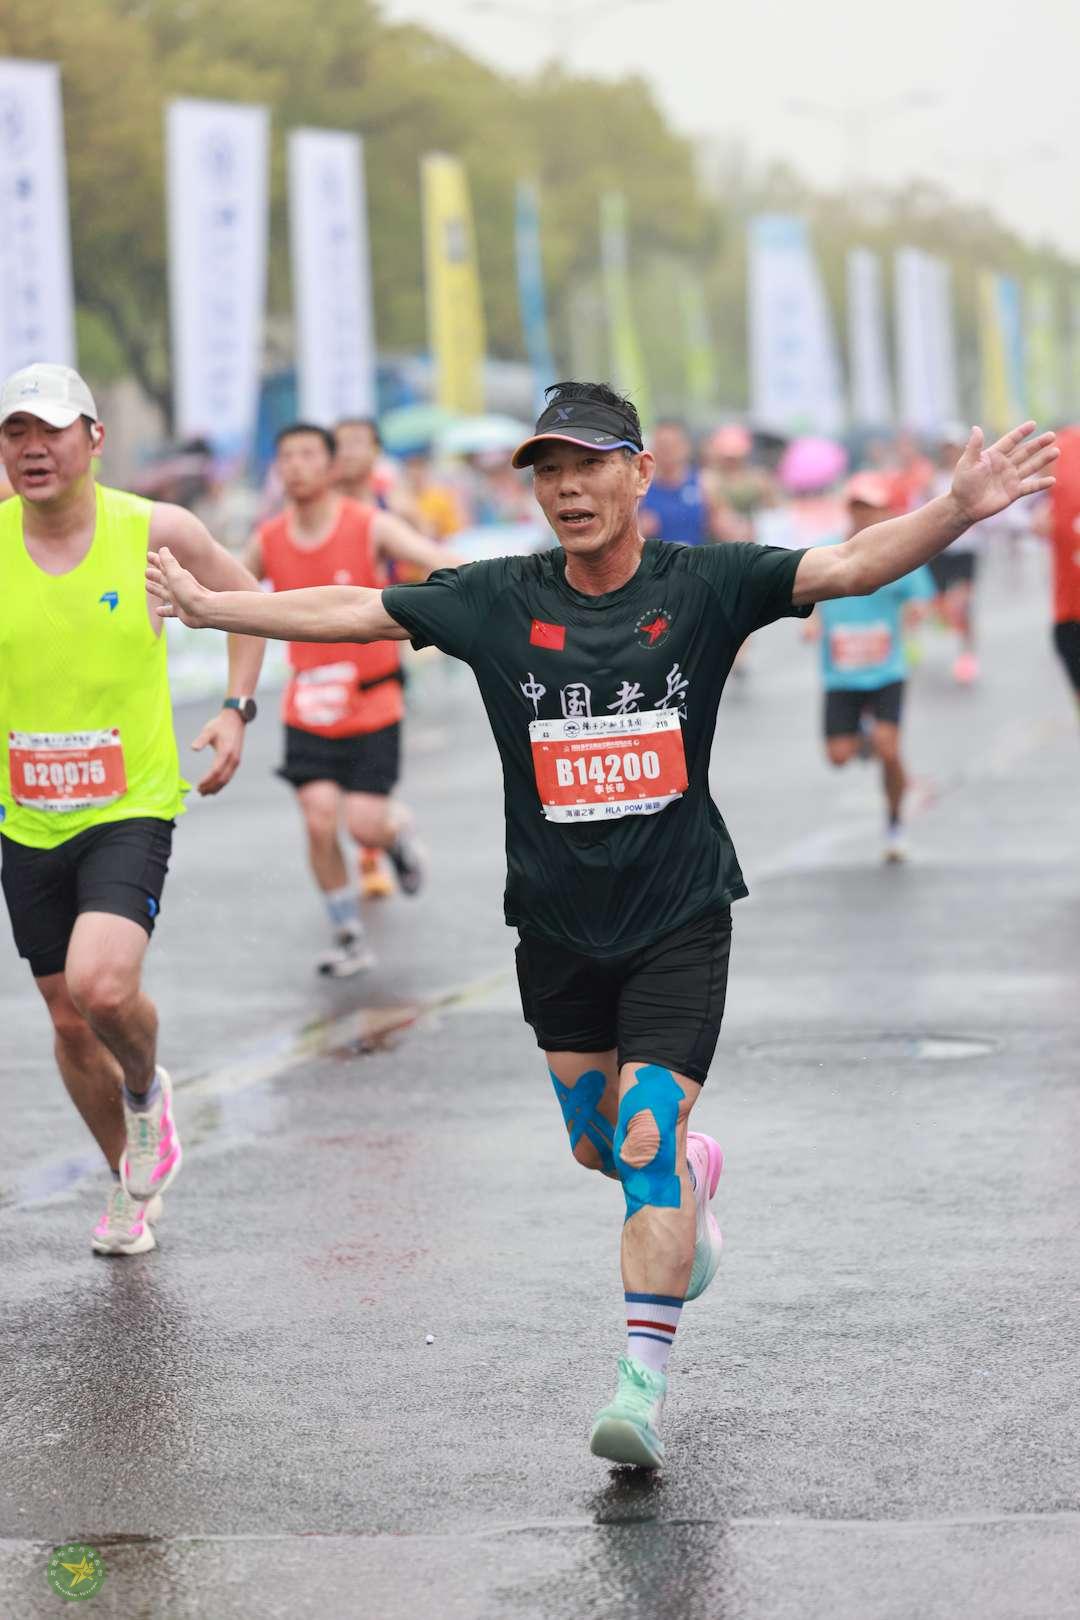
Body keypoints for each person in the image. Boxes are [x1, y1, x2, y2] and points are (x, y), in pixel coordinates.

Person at [148, 381, 1055, 1467]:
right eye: (549, 471)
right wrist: (216, 610)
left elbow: (849, 566)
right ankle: (692, 1175)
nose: (568, 489)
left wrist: (957, 508)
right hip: (557, 927)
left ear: (640, 473)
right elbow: (356, 609)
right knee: (598, 1146)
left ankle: (639, 1383)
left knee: (643, 1137)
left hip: (679, 917)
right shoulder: (498, 598)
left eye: (588, 465)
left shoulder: (705, 585)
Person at [0, 362, 264, 1256]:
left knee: (102, 986)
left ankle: (148, 1093)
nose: (33, 449)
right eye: (15, 433)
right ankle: (128, 1181)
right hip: (25, 816)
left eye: (51, 430)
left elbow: (248, 604)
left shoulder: (155, 531)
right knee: (68, 1022)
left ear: (94, 439)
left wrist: (235, 709)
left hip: (129, 804)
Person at [244, 422, 452, 976]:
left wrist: (466, 597)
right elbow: (227, 587)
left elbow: (437, 560)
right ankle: (347, 934)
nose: (295, 465)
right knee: (317, 820)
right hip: (309, 704)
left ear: (331, 466)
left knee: (363, 825)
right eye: (285, 456)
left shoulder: (368, 524)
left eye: (307, 454)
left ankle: (397, 832)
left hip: (372, 699)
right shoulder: (268, 539)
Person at [804, 474, 934, 862]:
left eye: (871, 507)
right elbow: (809, 592)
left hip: (886, 671)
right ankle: (864, 734)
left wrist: (915, 613)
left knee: (888, 748)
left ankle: (895, 823)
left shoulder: (899, 552)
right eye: (857, 506)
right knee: (838, 756)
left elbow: (921, 597)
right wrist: (812, 622)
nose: (864, 514)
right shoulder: (828, 549)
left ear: (884, 511)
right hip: (841, 674)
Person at [924, 427, 983, 683]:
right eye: (946, 448)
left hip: (966, 550)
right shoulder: (933, 480)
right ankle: (944, 622)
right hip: (939, 551)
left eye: (954, 447)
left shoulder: (977, 474)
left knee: (963, 604)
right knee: (940, 605)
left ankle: (966, 656)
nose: (950, 452)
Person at [639, 419, 710, 546]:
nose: (668, 451)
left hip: (695, 556)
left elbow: (724, 524)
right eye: (662, 445)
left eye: (673, 445)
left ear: (686, 447)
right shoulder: (640, 487)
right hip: (656, 558)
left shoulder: (704, 483)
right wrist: (639, 529)